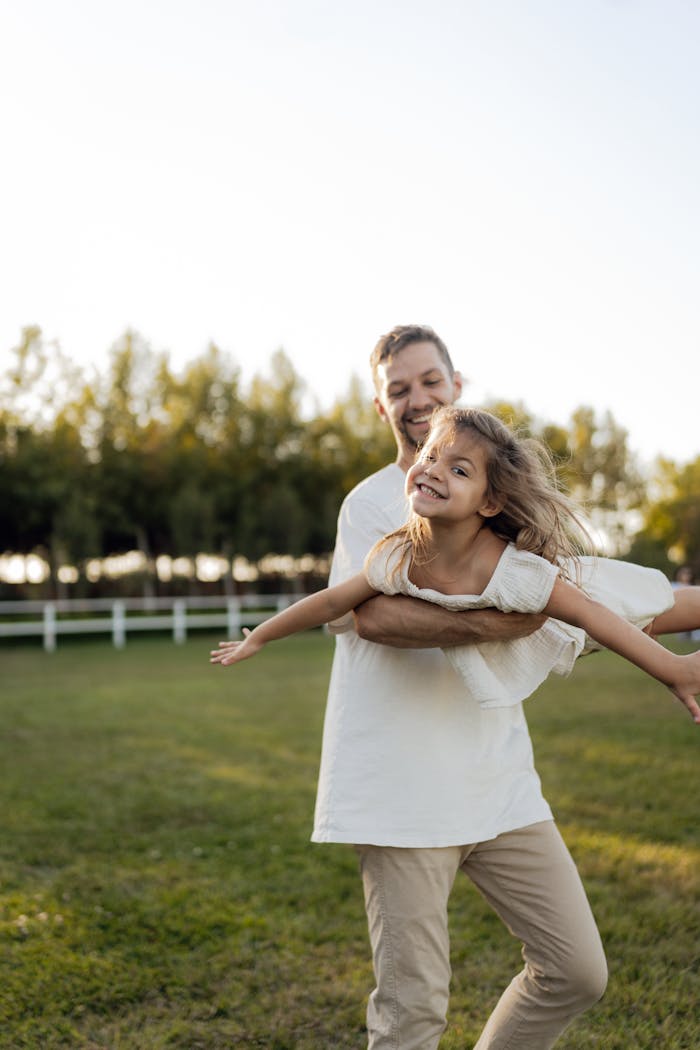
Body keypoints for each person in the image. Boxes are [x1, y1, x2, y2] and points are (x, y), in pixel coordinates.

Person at [212, 325, 688, 1050]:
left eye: (429, 381)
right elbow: (372, 616)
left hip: (498, 785)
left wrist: (657, 661)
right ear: (380, 408)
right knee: (412, 1016)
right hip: (401, 792)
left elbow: (591, 597)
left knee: (576, 971)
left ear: (455, 386)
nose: (416, 399)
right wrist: (508, 623)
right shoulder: (383, 506)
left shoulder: (500, 516)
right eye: (398, 389)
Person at [211, 404, 700, 720]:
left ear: (488, 504)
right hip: (547, 623)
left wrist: (673, 670)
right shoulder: (398, 555)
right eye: (430, 455)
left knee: (659, 604)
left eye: (459, 469)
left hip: (585, 598)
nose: (433, 471)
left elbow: (593, 615)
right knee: (648, 611)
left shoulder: (515, 572)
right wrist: (261, 635)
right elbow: (330, 602)